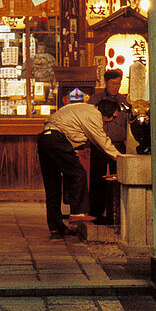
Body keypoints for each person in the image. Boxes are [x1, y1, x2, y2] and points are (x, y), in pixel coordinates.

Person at [37, 88, 119, 237]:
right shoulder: (94, 116)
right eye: (113, 117)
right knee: (78, 174)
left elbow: (69, 127)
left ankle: (56, 227)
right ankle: (78, 213)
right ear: (106, 113)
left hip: (45, 138)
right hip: (56, 138)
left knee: (53, 185)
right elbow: (103, 142)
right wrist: (121, 158)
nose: (113, 120)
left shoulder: (83, 107)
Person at [88, 68, 132, 224]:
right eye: (113, 83)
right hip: (99, 145)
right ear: (106, 83)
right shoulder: (95, 99)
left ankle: (117, 212)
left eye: (118, 84)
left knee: (119, 178)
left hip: (119, 144)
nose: (115, 87)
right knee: (97, 178)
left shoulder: (126, 101)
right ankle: (95, 213)